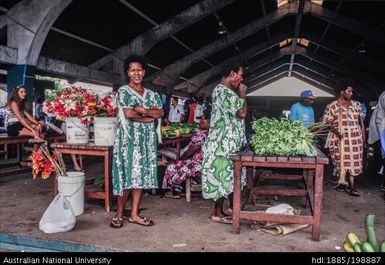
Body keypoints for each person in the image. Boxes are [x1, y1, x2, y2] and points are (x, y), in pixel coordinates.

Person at [110, 55, 164, 228]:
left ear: (144, 72)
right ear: (128, 72)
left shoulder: (152, 94)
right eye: (133, 70)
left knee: (139, 177)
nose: (136, 73)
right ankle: (119, 213)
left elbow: (161, 113)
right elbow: (128, 114)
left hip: (146, 143)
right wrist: (149, 117)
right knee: (126, 176)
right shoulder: (123, 92)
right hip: (128, 142)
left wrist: (142, 110)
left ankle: (134, 214)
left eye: (139, 70)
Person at [201, 60, 248, 224]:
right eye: (240, 76)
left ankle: (226, 209)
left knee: (227, 177)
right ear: (233, 74)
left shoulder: (225, 91)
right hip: (222, 144)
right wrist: (243, 93)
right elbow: (242, 113)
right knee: (222, 176)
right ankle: (217, 212)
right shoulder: (223, 91)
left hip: (227, 143)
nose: (241, 80)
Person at [322, 78, 364, 196]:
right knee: (341, 161)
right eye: (348, 91)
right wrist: (338, 132)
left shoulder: (356, 105)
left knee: (353, 161)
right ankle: (342, 182)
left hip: (355, 137)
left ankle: (352, 186)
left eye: (352, 92)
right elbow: (328, 124)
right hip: (338, 137)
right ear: (341, 91)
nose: (351, 94)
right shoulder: (332, 106)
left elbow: (360, 121)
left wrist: (363, 137)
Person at [162, 109, 210, 198]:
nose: (200, 121)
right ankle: (181, 189)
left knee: (172, 167)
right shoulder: (214, 133)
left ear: (209, 122)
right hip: (209, 163)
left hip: (199, 164)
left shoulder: (200, 135)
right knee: (181, 164)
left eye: (202, 119)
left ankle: (174, 192)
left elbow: (189, 153)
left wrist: (178, 160)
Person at [368, 91, 385, 192]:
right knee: (379, 155)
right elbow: (379, 120)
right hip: (380, 131)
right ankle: (378, 179)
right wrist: (382, 137)